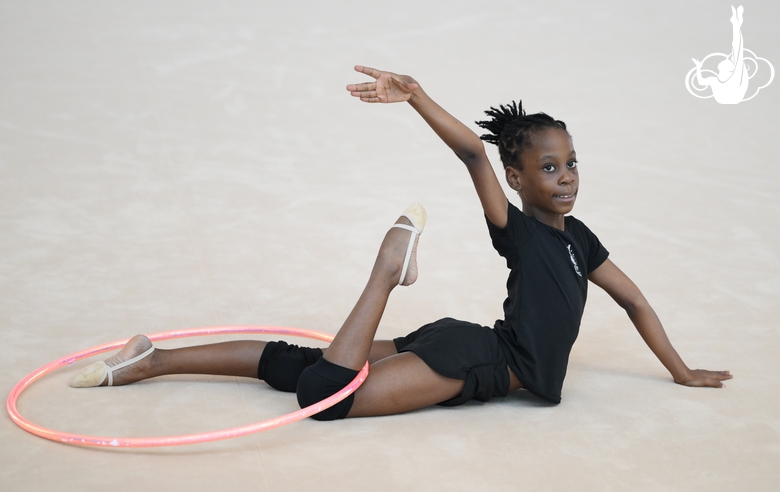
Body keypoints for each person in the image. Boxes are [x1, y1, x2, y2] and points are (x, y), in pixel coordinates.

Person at [70, 66, 732, 420]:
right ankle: (387, 272)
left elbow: (636, 302)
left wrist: (680, 370)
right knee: (327, 399)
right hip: (480, 363)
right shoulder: (520, 232)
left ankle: (153, 359)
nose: (566, 178)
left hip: (467, 339)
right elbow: (473, 152)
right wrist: (416, 95)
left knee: (302, 364)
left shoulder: (581, 240)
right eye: (549, 167)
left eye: (572, 162)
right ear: (518, 177)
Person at [692, 5, 749, 104]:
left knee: (737, 50)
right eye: (728, 61)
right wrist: (698, 67)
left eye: (727, 62)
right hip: (729, 97)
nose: (724, 60)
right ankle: (736, 23)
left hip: (731, 96)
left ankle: (736, 24)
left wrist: (698, 68)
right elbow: (701, 82)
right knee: (737, 51)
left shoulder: (732, 78)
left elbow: (737, 49)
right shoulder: (715, 80)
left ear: (729, 69)